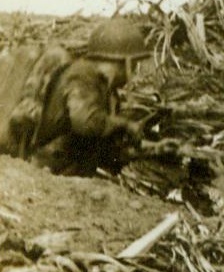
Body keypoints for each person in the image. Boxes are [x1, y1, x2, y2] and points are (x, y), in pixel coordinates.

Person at [30, 18, 150, 177]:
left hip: (67, 167)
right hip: (51, 169)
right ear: (122, 63)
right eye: (133, 65)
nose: (132, 72)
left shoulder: (102, 85)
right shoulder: (83, 76)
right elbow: (86, 123)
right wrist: (125, 124)